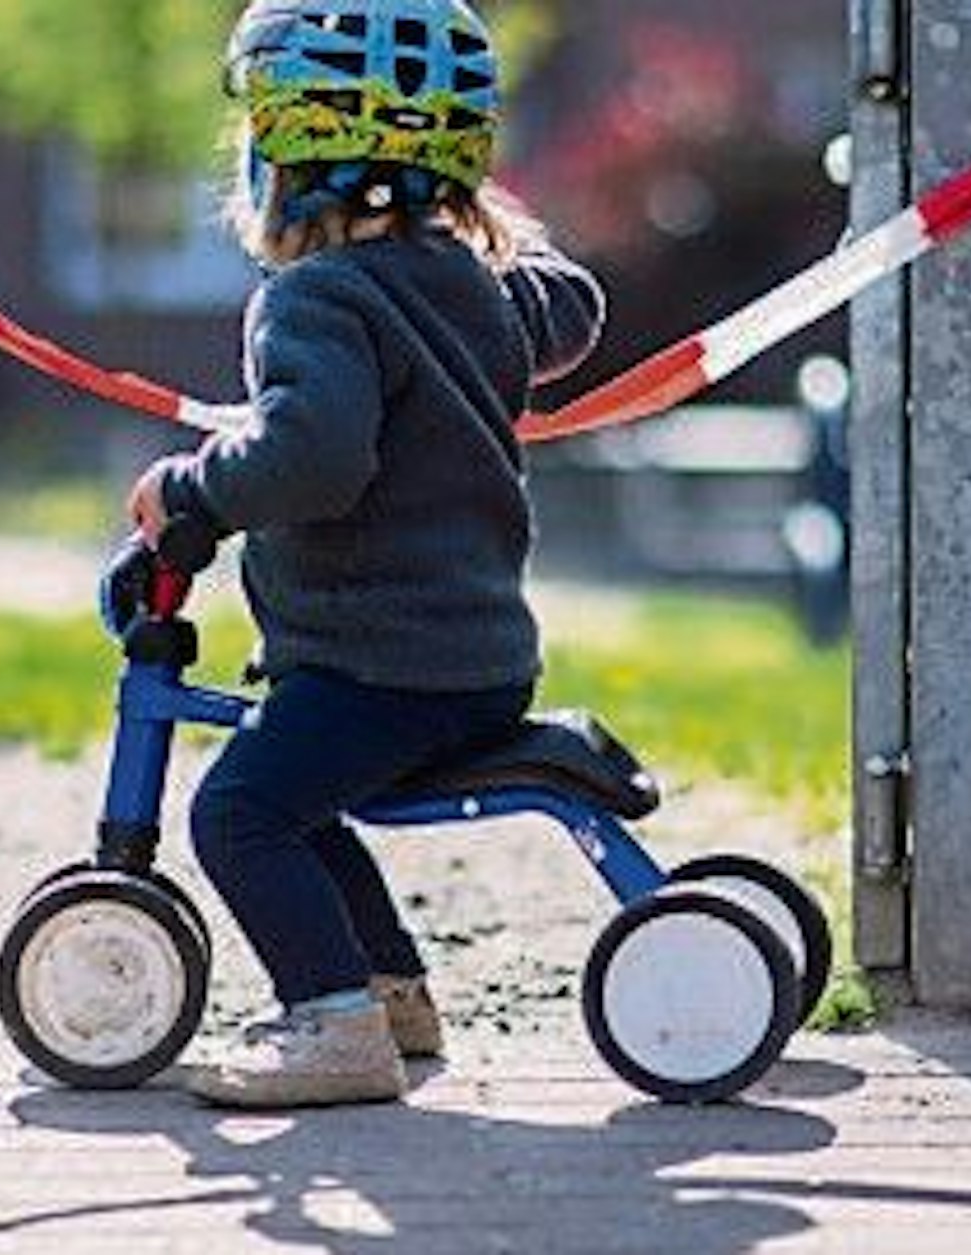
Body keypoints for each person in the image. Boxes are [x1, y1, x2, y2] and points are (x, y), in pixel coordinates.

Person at [126, 0, 605, 1109]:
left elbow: (314, 458)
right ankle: (389, 995)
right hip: (476, 662)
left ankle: (335, 1027)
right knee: (296, 797)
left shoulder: (315, 299)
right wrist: (473, 219)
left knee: (239, 814)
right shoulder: (477, 285)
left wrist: (191, 488)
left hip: (378, 668)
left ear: (282, 156)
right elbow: (575, 307)